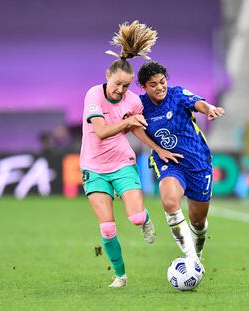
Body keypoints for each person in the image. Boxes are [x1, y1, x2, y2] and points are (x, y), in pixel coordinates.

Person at [80, 21, 181, 288]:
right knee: (107, 228)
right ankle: (120, 275)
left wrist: (157, 148)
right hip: (93, 166)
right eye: (117, 84)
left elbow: (139, 130)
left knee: (135, 217)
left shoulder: (133, 101)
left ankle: (145, 221)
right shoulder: (94, 95)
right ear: (107, 76)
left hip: (122, 163)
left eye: (126, 86)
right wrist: (128, 123)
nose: (121, 90)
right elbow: (101, 132)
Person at [137, 61, 225, 270]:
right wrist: (157, 150)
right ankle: (192, 259)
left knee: (198, 222)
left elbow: (199, 104)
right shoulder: (139, 105)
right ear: (143, 87)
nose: (159, 87)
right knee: (170, 202)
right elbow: (134, 128)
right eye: (153, 84)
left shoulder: (176, 95)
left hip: (197, 161)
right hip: (168, 161)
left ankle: (198, 250)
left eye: (162, 82)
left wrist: (210, 109)